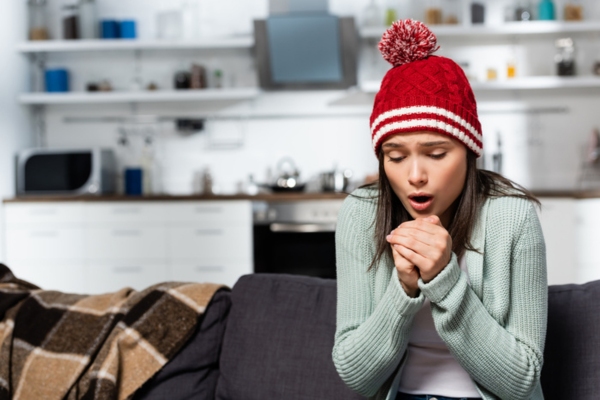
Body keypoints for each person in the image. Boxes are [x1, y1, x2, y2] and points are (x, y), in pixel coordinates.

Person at [332, 19, 547, 400]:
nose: (415, 175)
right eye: (395, 157)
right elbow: (355, 375)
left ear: (468, 151)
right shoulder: (361, 215)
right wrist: (403, 288)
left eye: (436, 154)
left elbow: (521, 381)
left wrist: (445, 279)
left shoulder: (511, 216)